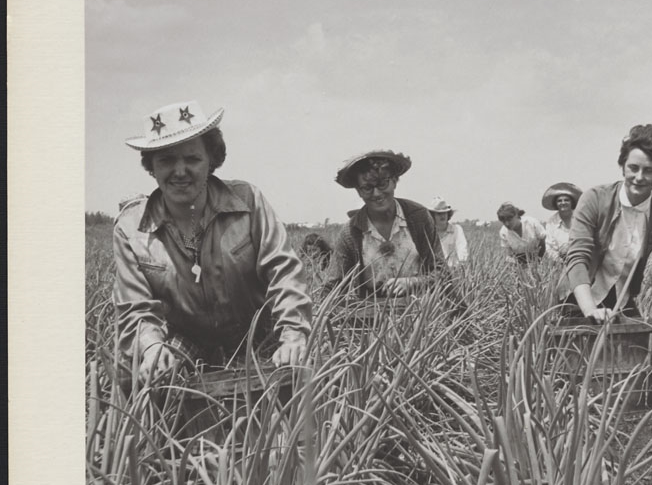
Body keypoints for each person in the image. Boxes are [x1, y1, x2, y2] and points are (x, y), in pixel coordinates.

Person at [113, 100, 312, 385]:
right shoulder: (130, 228)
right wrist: (152, 346)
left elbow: (284, 271)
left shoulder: (248, 201)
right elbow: (136, 307)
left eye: (192, 159)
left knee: (293, 380)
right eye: (167, 160)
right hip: (184, 338)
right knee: (148, 383)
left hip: (255, 331)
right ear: (152, 167)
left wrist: (293, 335)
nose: (180, 171)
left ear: (211, 161)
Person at [560, 124, 652, 323]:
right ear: (623, 166)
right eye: (633, 168)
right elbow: (578, 258)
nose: (639, 177)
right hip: (578, 297)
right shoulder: (594, 199)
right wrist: (590, 311)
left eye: (649, 171)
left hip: (620, 303)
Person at [327, 150, 448, 297]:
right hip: (371, 314)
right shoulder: (350, 233)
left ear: (395, 181)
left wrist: (414, 282)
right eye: (367, 188)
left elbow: (443, 273)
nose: (376, 193)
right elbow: (332, 287)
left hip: (419, 308)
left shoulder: (419, 218)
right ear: (359, 191)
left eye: (383, 183)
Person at [541, 182, 583, 262]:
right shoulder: (551, 222)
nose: (563, 203)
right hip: (561, 259)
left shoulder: (581, 217)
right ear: (556, 204)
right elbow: (550, 247)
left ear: (572, 203)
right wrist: (558, 260)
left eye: (566, 200)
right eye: (559, 201)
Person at [429, 196, 469, 268]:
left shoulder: (456, 229)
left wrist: (461, 265)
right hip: (434, 271)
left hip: (454, 270)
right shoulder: (429, 232)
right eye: (439, 214)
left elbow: (462, 250)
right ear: (432, 215)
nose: (443, 216)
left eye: (445, 213)